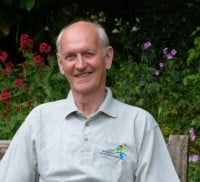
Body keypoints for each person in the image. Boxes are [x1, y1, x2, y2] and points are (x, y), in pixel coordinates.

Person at [0, 20, 180, 182]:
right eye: (70, 57)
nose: (80, 65)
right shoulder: (39, 120)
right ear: (61, 64)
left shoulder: (139, 124)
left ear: (107, 57)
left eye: (88, 54)